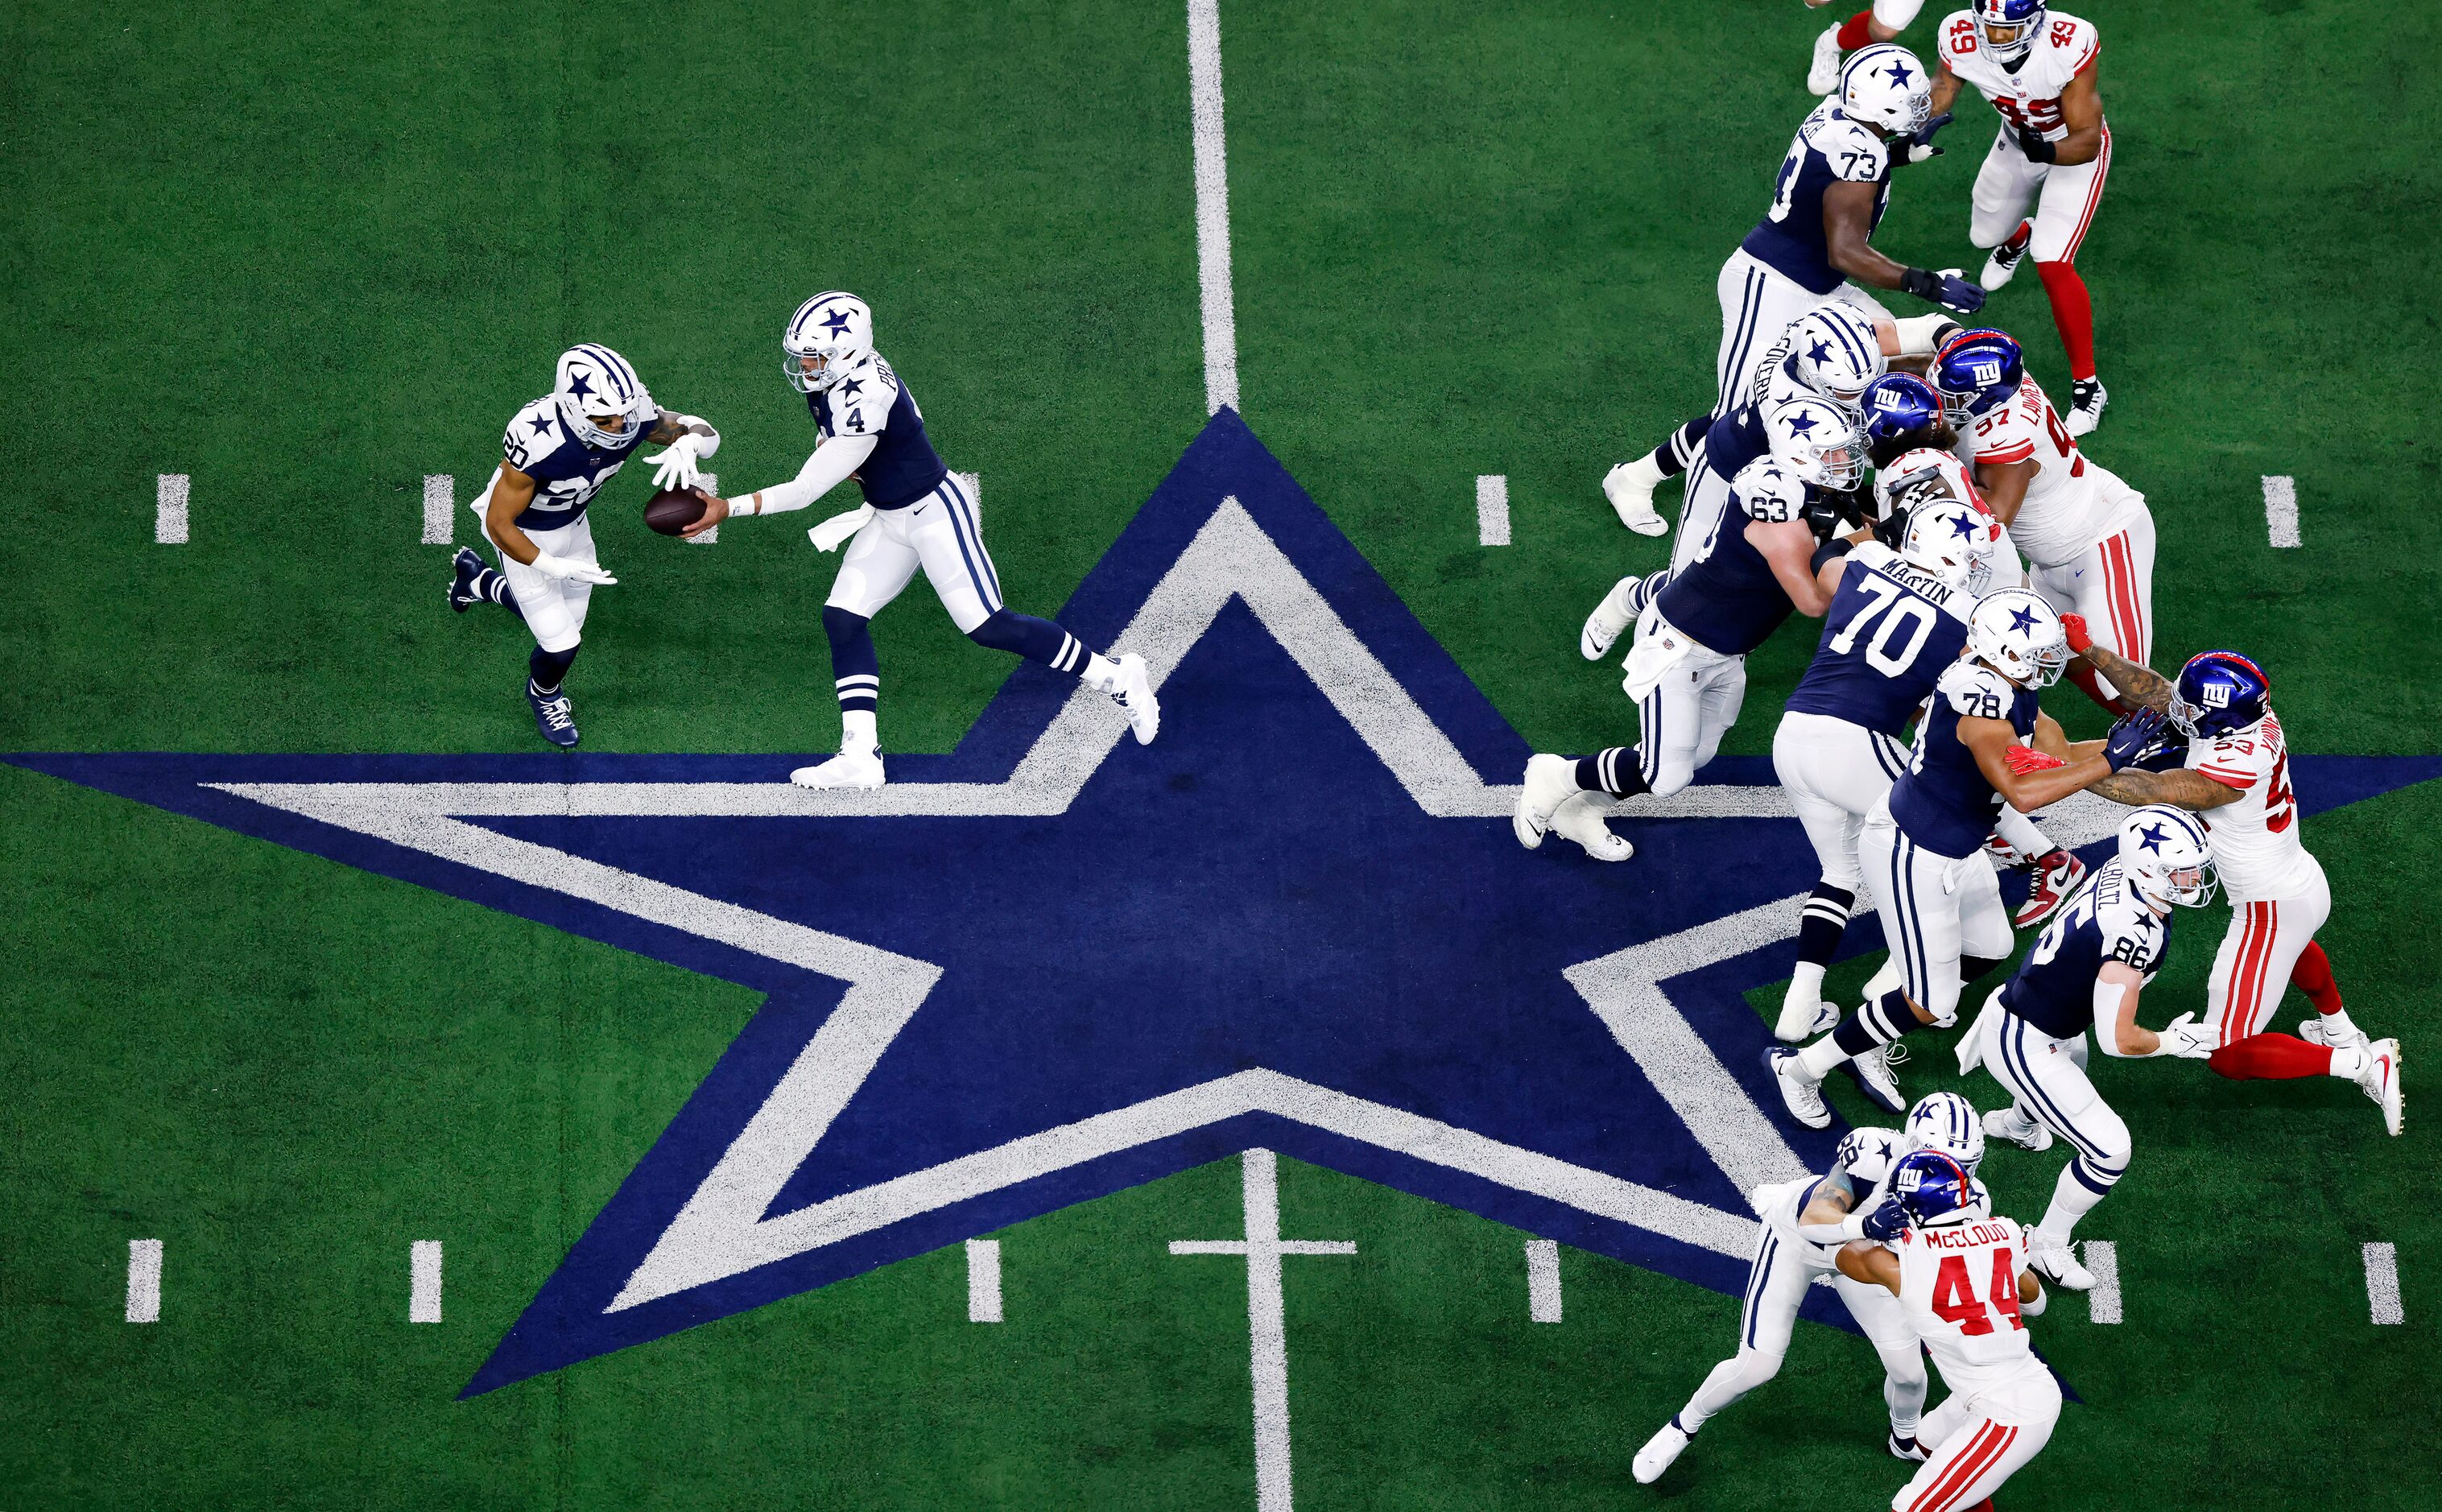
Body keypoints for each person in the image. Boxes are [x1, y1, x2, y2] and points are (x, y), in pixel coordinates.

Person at [686, 292, 1158, 787]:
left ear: (846, 353)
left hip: (934, 513)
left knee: (989, 627)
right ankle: (861, 758)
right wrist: (847, 452)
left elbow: (806, 491)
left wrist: (727, 508)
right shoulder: (841, 376)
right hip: (890, 515)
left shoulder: (861, 395)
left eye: (815, 355)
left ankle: (1117, 677)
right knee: (843, 618)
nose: (804, 365)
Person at [2074, 637, 2405, 1134]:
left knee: (2226, 1052)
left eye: (2191, 705)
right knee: (2294, 947)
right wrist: (2092, 650)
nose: (2177, 707)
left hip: (2268, 908)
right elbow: (2160, 692)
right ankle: (2340, 1031)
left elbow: (2156, 790)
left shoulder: (2236, 765)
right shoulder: (2247, 718)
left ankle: (2361, 1065)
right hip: (2299, 884)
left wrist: (2071, 773)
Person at [1630, 1093, 1989, 1484]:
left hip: (1864, 1256)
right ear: (1917, 1148)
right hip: (1801, 1240)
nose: (1957, 1174)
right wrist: (1865, 1227)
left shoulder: (1970, 1198)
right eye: (1948, 1162)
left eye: (1967, 1165)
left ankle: (1905, 1438)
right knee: (1758, 1365)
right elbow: (1813, 1219)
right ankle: (1682, 1426)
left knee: (1910, 1375)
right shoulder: (1875, 1153)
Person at [448, 344, 719, 747]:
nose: (620, 426)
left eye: (624, 414)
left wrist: (688, 444)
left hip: (573, 522)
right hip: (526, 533)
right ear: (575, 412)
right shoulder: (537, 440)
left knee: (571, 619)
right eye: (605, 419)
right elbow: (499, 523)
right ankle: (544, 695)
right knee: (561, 643)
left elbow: (705, 432)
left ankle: (478, 583)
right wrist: (551, 566)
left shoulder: (631, 414)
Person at [1837, 1148, 2060, 1512]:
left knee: (1909, 1508)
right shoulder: (2003, 1231)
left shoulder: (1904, 1261)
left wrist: (1871, 1227)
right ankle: (1966, 1487)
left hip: (2011, 1411)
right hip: (2006, 1381)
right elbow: (2033, 1299)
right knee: (1923, 1443)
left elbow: (1847, 1256)